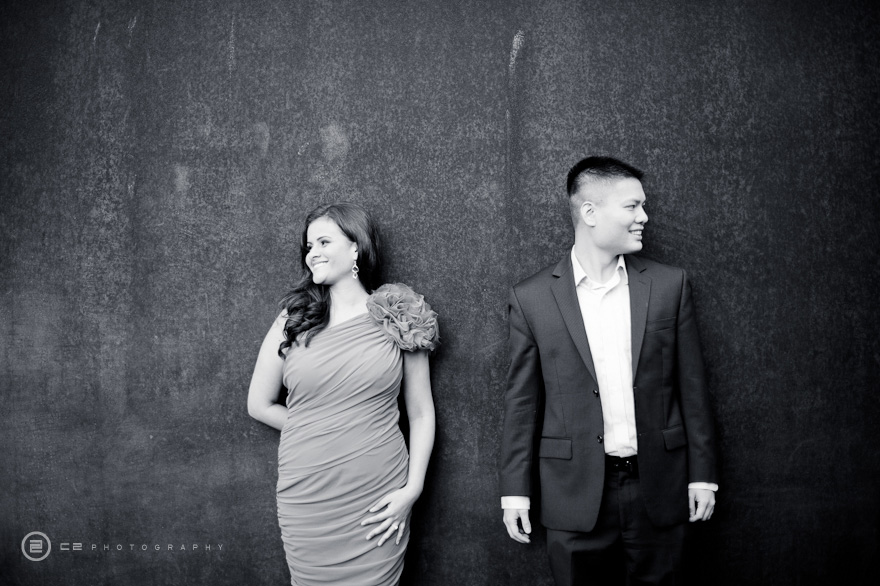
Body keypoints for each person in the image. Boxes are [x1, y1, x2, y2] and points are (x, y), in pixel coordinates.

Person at [499, 156, 718, 585]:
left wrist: (703, 477)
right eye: (632, 206)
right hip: (573, 493)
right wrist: (514, 492)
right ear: (590, 212)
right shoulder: (532, 298)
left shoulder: (669, 285)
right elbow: (522, 403)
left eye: (643, 206)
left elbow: (693, 387)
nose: (644, 217)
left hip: (661, 486)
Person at [247, 202, 438, 586]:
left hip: (377, 494)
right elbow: (259, 405)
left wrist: (413, 489)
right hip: (308, 493)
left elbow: (420, 413)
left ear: (356, 247)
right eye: (308, 246)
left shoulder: (400, 314)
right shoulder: (292, 319)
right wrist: (324, 429)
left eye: (323, 242)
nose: (312, 253)